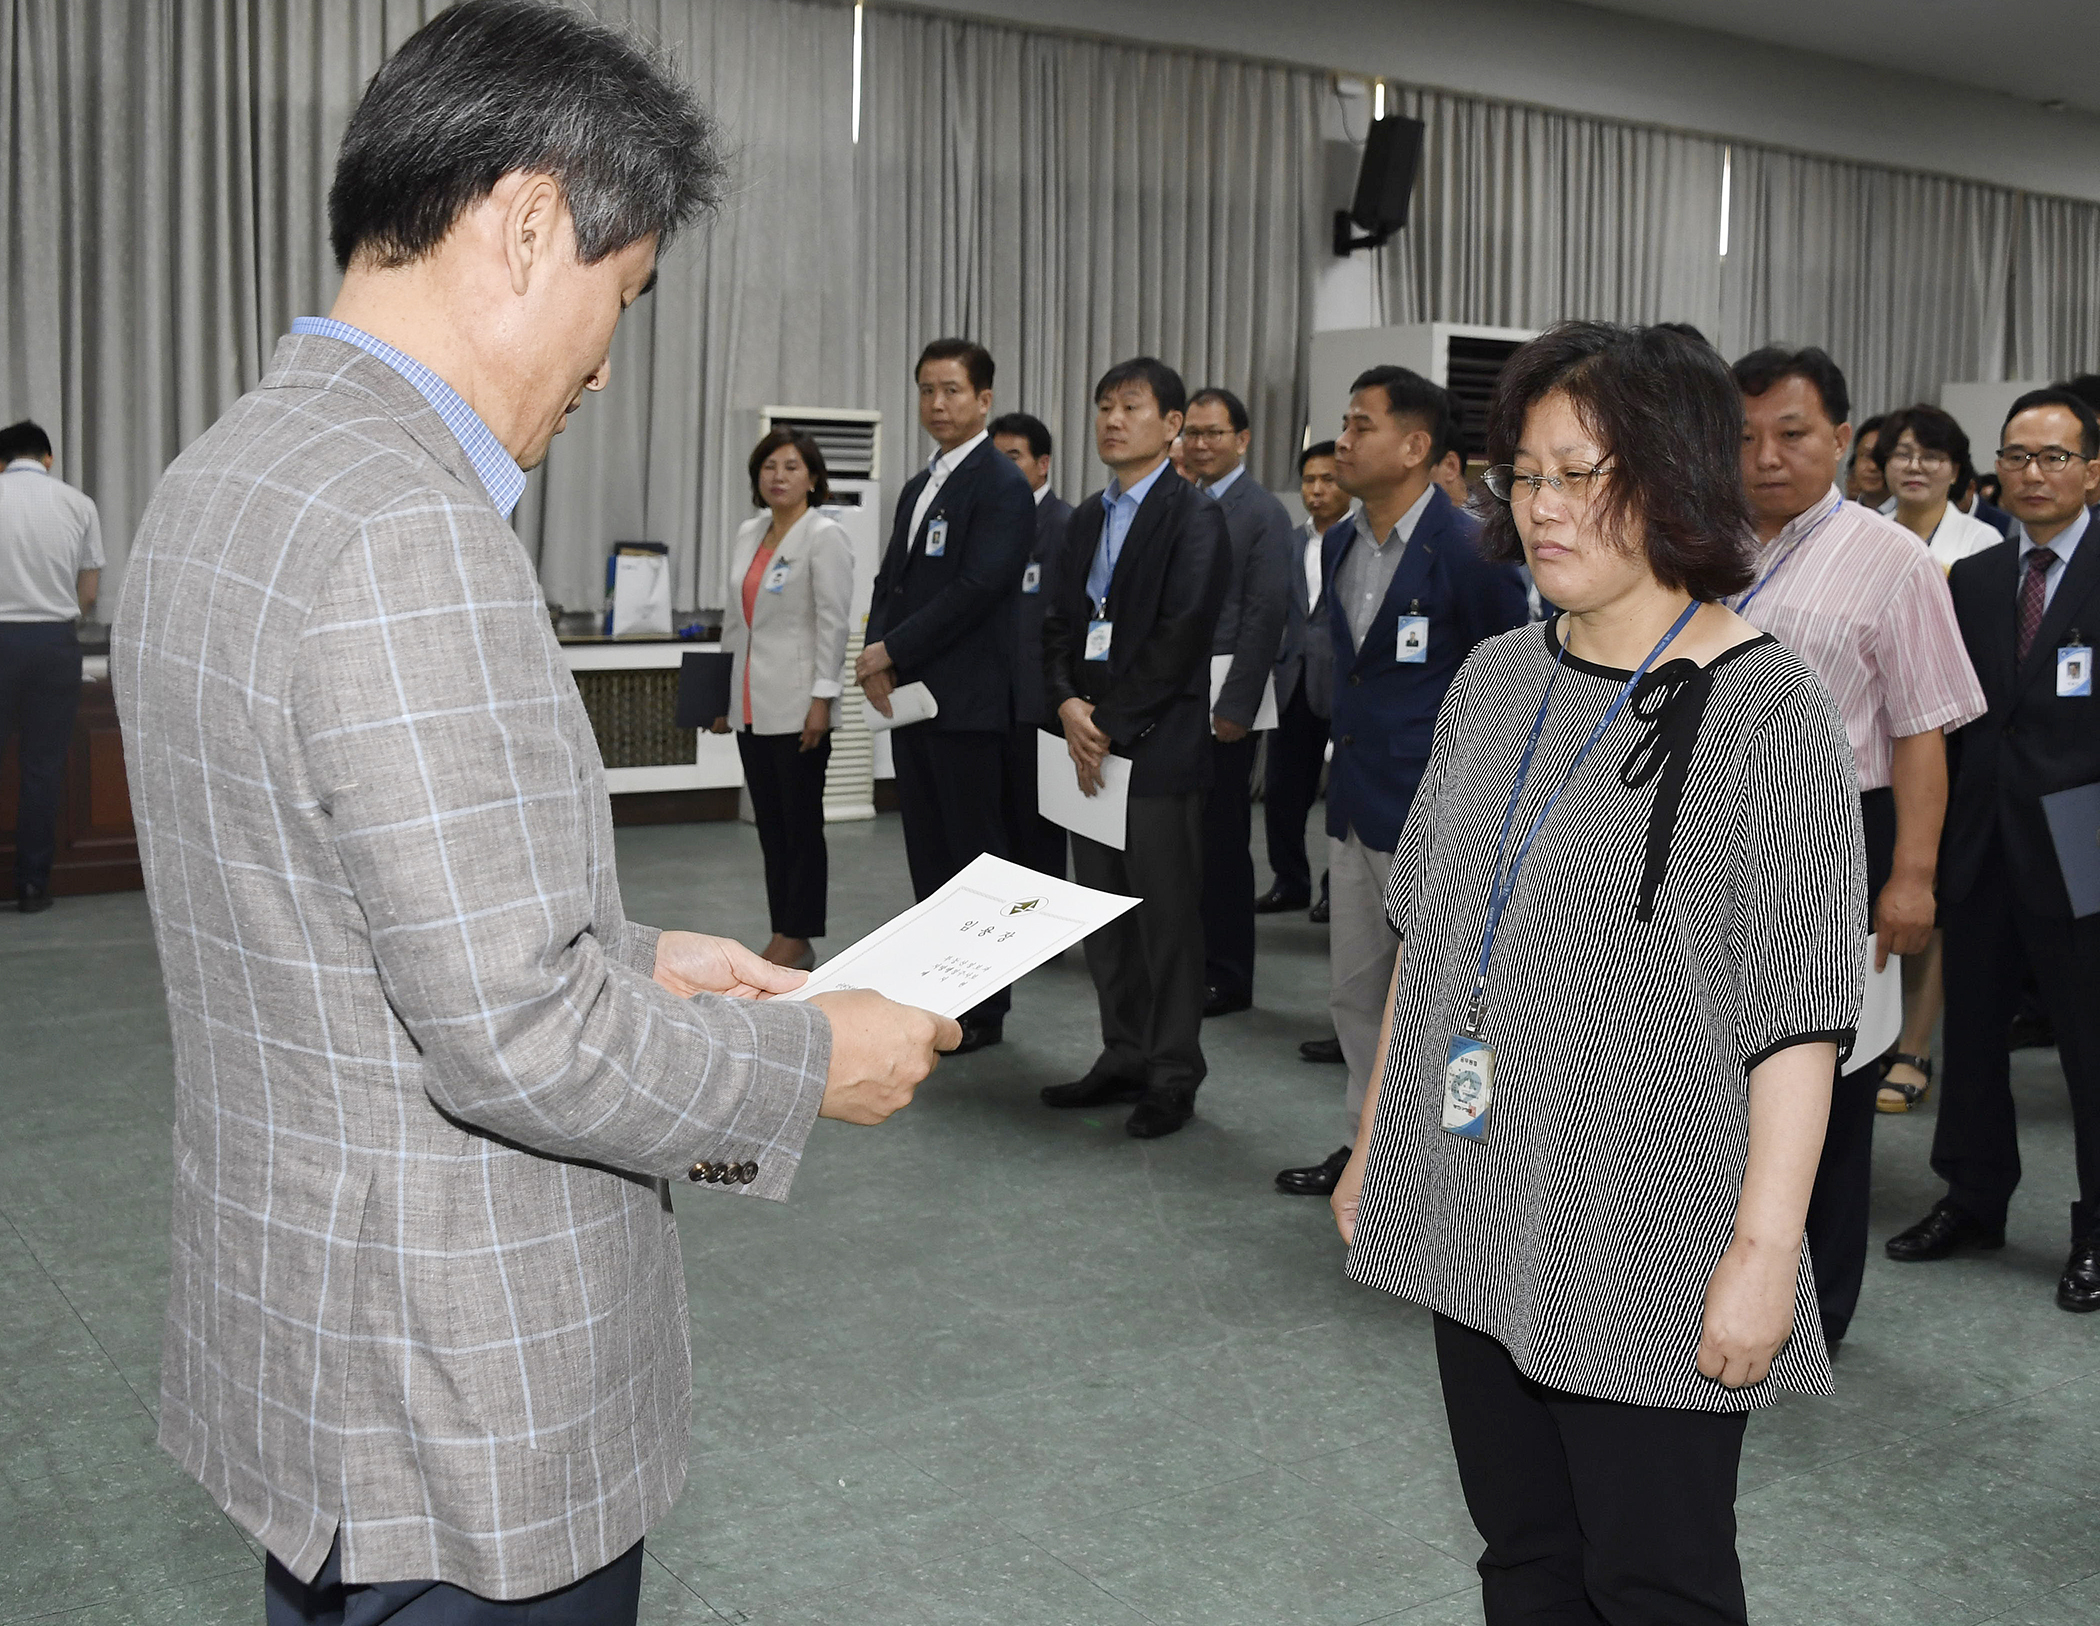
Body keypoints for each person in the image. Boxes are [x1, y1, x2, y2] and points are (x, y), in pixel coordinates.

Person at [111, 7, 958, 1620]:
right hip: (458, 1410)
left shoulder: (230, 473)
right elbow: (513, 1035)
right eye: (620, 294)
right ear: (526, 225)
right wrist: (810, 1060)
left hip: (315, 1374)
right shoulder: (408, 530)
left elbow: (341, 898)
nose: (607, 359)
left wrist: (638, 950)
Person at [1334, 321, 1867, 1626]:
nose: (1547, 505)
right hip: (1476, 1185)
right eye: (1528, 473)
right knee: (1523, 1550)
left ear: (1677, 479)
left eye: (1587, 473)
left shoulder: (1765, 706)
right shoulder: (1497, 676)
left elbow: (1801, 1012)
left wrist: (1761, 1246)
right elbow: (1432, 928)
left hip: (1652, 1221)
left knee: (1658, 1578)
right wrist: (1372, 1144)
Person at [1731, 345, 1984, 1349]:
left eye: (1791, 434)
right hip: (1711, 835)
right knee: (1708, 1072)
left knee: (1822, 1083)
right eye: (1744, 437)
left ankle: (1815, 1308)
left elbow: (1923, 730)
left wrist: (1911, 879)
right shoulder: (1700, 542)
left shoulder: (1896, 563)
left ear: (1844, 439)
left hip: (1840, 837)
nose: (1765, 457)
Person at [1274, 367, 1526, 1199]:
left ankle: (1460, 1173)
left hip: (1443, 819)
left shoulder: (1468, 549)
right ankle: (1367, 1153)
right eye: (1343, 424)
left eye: (1360, 425)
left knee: (1455, 1014)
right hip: (1354, 809)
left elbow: (1513, 682)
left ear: (1416, 446)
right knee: (1356, 997)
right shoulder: (1340, 543)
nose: (1342, 441)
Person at [1888, 388, 2100, 1314]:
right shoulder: (1970, 581)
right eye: (2018, 456)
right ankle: (1973, 1198)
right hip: (1981, 841)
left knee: (2090, 1049)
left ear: (2093, 470)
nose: (2034, 473)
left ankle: (2096, 1229)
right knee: (1971, 1036)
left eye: (2055, 457)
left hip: (2086, 845)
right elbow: (1947, 724)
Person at [1040, 357, 1229, 1139]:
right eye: (1104, 406)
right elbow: (1053, 623)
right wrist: (1067, 704)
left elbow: (1182, 635)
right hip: (1086, 744)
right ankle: (1121, 1052)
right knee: (1102, 916)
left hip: (1152, 751)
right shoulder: (1085, 518)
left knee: (1165, 921)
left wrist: (1109, 722)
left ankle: (1172, 1072)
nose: (1113, 420)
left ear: (1172, 424)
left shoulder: (1194, 516)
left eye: (1131, 406)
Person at [859, 338, 1035, 1053]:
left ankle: (984, 1009)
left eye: (953, 391)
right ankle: (941, 988)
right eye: (928, 390)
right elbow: (889, 581)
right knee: (928, 853)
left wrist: (892, 649)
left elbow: (977, 589)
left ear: (984, 400)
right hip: (914, 701)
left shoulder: (1000, 484)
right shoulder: (920, 483)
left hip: (967, 702)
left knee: (976, 862)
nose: (938, 404)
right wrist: (876, 653)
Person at [714, 428, 854, 970]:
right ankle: (785, 929)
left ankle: (798, 934)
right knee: (770, 827)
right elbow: (734, 621)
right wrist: (723, 695)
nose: (779, 476)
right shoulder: (750, 532)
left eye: (792, 467)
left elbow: (834, 624)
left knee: (800, 825)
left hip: (800, 706)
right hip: (751, 703)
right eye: (769, 466)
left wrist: (824, 698)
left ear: (813, 478)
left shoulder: (824, 536)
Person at [1181, 386, 1292, 1018]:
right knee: (1185, 841)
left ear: (1242, 440)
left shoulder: (1262, 512)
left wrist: (1237, 707)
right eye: (1191, 433)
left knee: (1222, 843)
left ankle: (1229, 974)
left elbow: (1265, 613)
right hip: (1180, 698)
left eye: (1213, 433)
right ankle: (1193, 963)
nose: (1200, 444)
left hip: (1228, 700)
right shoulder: (1185, 501)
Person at [0, 419, 101, 914]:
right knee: (42, 769)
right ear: (48, 459)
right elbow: (88, 593)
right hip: (54, 643)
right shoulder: (78, 504)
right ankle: (33, 886)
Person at [1259, 441, 1348, 918]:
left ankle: (1337, 889)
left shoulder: (1361, 540)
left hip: (1342, 685)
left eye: (1328, 479)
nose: (1316, 490)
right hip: (1290, 680)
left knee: (1341, 796)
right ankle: (1288, 880)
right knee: (1282, 792)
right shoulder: (1288, 542)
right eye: (1309, 480)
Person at [990, 411, 1073, 879]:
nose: (1004, 468)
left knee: (1038, 827)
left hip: (1038, 704)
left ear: (1043, 464)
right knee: (997, 825)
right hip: (992, 703)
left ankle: (1044, 938)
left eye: (1014, 457)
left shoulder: (1063, 524)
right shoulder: (993, 522)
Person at [1874, 404, 2001, 571]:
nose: (1914, 467)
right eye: (1903, 455)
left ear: (1955, 472)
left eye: (1930, 457)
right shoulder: (1869, 535)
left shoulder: (1981, 540)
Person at [1848, 413, 1889, 507]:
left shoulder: (1908, 517)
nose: (1873, 467)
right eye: (1866, 456)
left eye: (1880, 457)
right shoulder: (1841, 515)